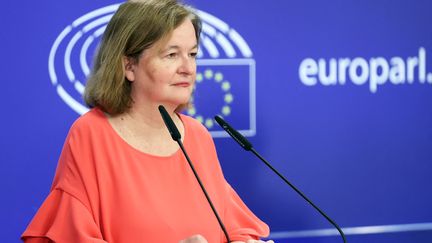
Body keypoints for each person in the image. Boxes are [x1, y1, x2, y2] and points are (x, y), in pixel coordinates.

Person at [21, 0, 271, 242]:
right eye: (172, 55)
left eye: (192, 54)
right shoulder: (91, 134)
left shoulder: (197, 136)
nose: (188, 68)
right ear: (129, 66)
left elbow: (232, 225)